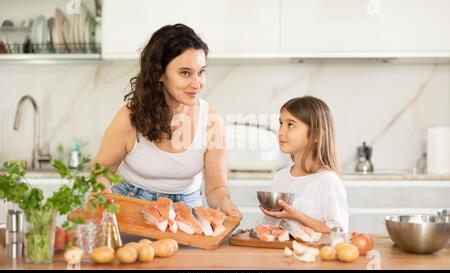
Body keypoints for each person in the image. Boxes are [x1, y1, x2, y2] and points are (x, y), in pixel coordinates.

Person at [93, 24, 241, 218]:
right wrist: (102, 192)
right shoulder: (130, 118)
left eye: (201, 71)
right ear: (160, 74)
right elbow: (102, 169)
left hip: (187, 211)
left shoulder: (211, 121)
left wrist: (223, 202)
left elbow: (216, 187)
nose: (197, 83)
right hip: (130, 205)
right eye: (185, 73)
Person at [260, 96, 349, 233]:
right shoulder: (280, 177)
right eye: (281, 123)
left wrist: (296, 215)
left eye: (290, 125)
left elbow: (339, 231)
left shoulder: (327, 180)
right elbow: (271, 227)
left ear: (316, 136)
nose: (281, 131)